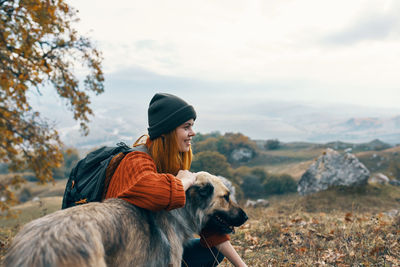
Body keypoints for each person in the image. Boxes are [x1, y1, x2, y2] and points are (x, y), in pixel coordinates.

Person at [105, 93, 247, 267]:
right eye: (186, 127)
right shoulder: (136, 162)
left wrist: (242, 266)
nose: (192, 133)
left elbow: (203, 219)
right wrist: (184, 182)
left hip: (158, 248)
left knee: (212, 252)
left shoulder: (173, 164)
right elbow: (159, 195)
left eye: (192, 126)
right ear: (167, 132)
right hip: (124, 254)